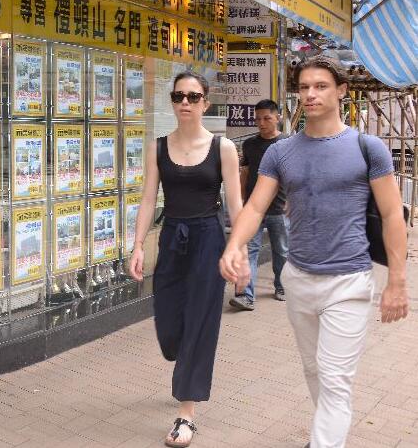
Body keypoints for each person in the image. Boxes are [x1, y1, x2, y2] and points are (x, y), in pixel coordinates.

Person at [220, 56, 409, 448]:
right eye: (304, 87)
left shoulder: (367, 148)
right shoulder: (281, 152)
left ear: (341, 91)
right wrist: (234, 246)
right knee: (314, 369)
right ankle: (328, 432)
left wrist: (397, 281)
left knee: (335, 377)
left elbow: (393, 214)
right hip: (299, 278)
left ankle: (324, 441)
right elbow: (255, 207)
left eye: (321, 86)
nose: (310, 94)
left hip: (349, 280)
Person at [129, 71, 249, 448]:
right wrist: (137, 245)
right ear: (172, 101)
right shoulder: (158, 148)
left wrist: (240, 252)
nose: (185, 102)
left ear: (205, 103)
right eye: (179, 96)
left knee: (200, 320)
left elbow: (236, 205)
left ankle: (186, 414)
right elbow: (148, 199)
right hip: (172, 238)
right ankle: (182, 360)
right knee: (169, 325)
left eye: (193, 97)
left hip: (208, 240)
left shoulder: (222, 148)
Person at [230, 99, 289, 311]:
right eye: (258, 119)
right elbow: (245, 174)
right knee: (249, 251)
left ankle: (282, 287)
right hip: (252, 209)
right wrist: (240, 202)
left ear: (278, 118)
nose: (261, 123)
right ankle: (245, 295)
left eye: (267, 118)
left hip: (279, 208)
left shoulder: (288, 144)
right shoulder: (250, 145)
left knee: (281, 251)